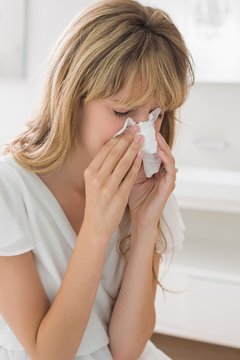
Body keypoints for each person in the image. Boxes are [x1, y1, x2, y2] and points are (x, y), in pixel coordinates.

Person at [0, 0, 194, 359]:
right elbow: (48, 354)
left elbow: (127, 349)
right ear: (70, 97)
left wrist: (145, 221)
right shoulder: (9, 191)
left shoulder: (146, 184)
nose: (143, 132)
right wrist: (97, 227)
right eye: (121, 110)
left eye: (155, 113)